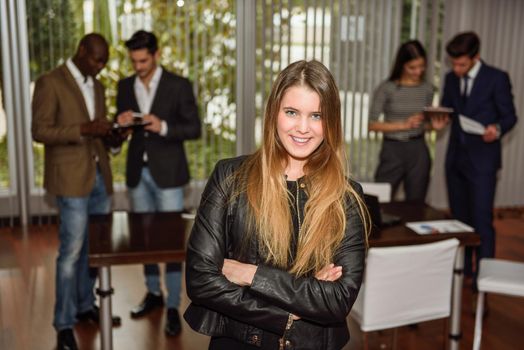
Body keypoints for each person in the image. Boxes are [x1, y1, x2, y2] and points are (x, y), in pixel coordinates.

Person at [184, 60, 368, 350]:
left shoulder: (347, 196)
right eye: (292, 112)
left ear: (331, 122)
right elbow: (201, 280)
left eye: (317, 116)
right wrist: (290, 311)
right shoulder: (230, 177)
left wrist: (248, 274)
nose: (303, 128)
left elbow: (336, 300)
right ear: (274, 113)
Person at [31, 33, 121, 350]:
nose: (100, 67)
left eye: (104, 62)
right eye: (97, 60)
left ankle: (85, 306)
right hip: (70, 180)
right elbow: (39, 130)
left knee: (94, 250)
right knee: (71, 252)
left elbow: (96, 130)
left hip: (98, 177)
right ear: (81, 51)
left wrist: (111, 134)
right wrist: (84, 129)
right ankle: (64, 323)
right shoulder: (50, 81)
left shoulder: (96, 84)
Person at [115, 30, 201, 336]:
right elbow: (116, 137)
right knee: (144, 240)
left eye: (143, 60)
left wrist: (161, 125)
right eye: (134, 61)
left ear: (156, 54)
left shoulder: (178, 85)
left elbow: (194, 128)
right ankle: (153, 293)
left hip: (169, 176)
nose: (138, 66)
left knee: (171, 244)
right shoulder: (124, 86)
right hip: (138, 173)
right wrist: (121, 126)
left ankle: (173, 306)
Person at [441, 32, 517, 291]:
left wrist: (496, 128)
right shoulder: (450, 79)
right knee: (460, 220)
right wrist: (440, 119)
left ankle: (483, 277)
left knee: (482, 220)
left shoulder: (497, 78)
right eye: (453, 63)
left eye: (462, 64)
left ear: (476, 57)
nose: (456, 69)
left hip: (483, 162)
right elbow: (447, 111)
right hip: (455, 161)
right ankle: (463, 271)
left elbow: (510, 117)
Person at [368, 40, 447, 201]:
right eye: (412, 67)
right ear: (402, 65)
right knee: (381, 200)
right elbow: (372, 125)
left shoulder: (427, 89)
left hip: (418, 150)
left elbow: (423, 124)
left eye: (422, 66)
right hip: (392, 150)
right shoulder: (387, 88)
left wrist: (433, 126)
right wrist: (404, 125)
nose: (418, 71)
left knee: (416, 203)